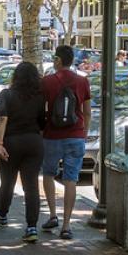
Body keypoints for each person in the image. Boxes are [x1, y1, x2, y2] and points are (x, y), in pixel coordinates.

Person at [40, 45, 91, 240]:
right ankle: (67, 225)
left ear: (59, 60)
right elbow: (87, 112)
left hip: (52, 135)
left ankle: (53, 215)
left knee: (48, 174)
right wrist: (83, 134)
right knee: (71, 179)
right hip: (75, 135)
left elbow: (41, 108)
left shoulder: (47, 82)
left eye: (54, 58)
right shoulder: (82, 81)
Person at [0, 62, 46, 240]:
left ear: (15, 76)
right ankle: (31, 227)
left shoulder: (6, 94)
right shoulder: (40, 96)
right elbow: (42, 122)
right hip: (34, 142)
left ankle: (2, 214)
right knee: (31, 186)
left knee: (7, 181)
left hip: (11, 142)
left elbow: (2, 118)